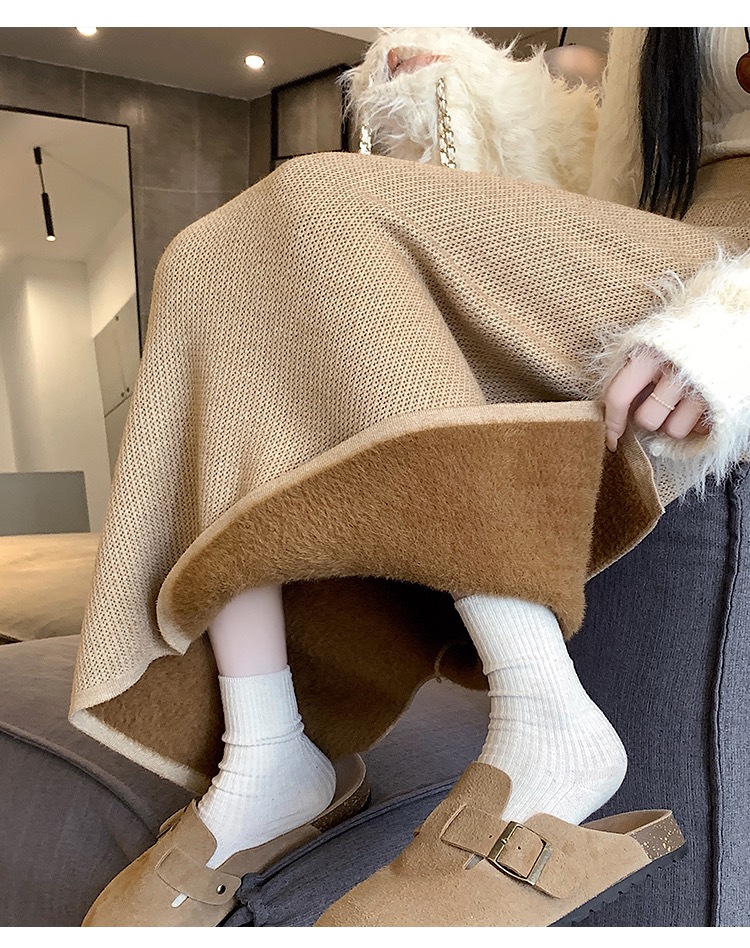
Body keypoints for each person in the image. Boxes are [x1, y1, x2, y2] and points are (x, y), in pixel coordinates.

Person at [73, 27, 750, 927]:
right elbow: (617, 169)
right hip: (648, 234)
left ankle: (547, 717)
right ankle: (267, 750)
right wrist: (470, 94)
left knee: (317, 200)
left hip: (730, 267)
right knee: (213, 253)